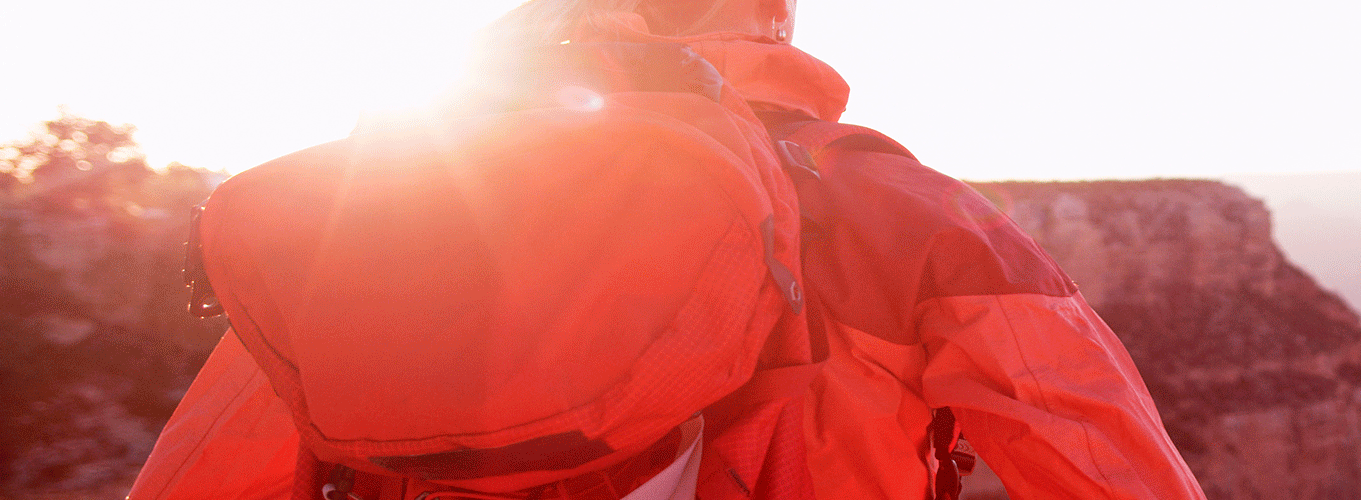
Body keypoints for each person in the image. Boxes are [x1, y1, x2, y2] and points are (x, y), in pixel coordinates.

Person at [127, 0, 1206, 499]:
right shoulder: (890, 201)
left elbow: (215, 462)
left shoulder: (396, 201)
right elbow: (1090, 439)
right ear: (768, 27)